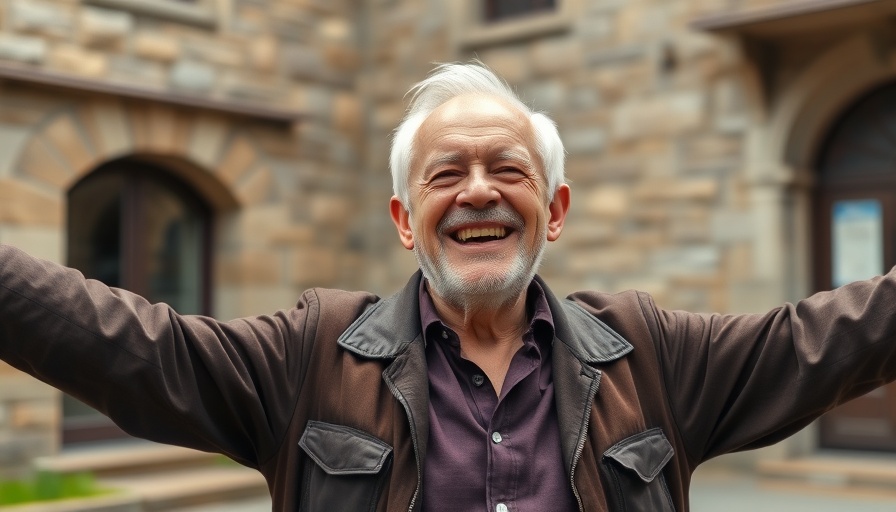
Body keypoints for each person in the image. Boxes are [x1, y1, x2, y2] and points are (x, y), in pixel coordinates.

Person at [2, 60, 896, 512]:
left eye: (507, 167)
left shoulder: (655, 356)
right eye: (445, 174)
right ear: (404, 220)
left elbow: (843, 333)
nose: (477, 189)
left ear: (554, 210)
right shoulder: (309, 356)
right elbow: (118, 339)